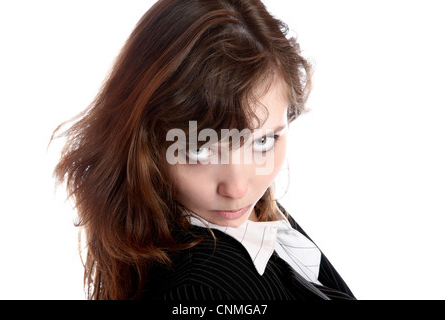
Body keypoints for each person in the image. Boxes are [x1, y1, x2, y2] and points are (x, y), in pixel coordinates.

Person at [52, 0, 355, 300]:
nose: (237, 188)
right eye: (200, 149)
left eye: (263, 141)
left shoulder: (257, 218)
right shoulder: (199, 292)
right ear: (148, 142)